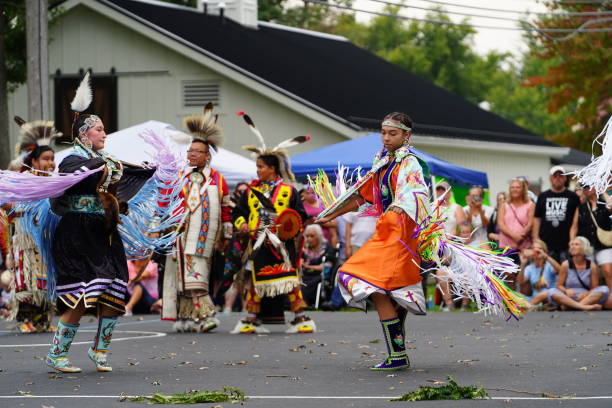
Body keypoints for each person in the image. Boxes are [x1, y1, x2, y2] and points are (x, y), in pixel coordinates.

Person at [42, 73, 175, 373]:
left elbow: (112, 193)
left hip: (103, 232)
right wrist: (108, 164)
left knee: (116, 287)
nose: (105, 133)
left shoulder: (106, 161)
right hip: (76, 233)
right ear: (84, 134)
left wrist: (129, 191)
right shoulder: (73, 160)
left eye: (103, 129)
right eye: (100, 129)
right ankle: (56, 353)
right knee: (84, 290)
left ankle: (99, 350)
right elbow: (78, 176)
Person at [316, 112, 431, 370]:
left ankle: (398, 355)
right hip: (387, 232)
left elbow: (416, 193)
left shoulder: (410, 163)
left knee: (363, 278)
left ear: (406, 135)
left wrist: (402, 206)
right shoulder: (382, 163)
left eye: (393, 133)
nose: (386, 137)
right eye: (383, 132)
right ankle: (397, 354)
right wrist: (329, 215)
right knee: (389, 291)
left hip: (400, 235)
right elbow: (361, 196)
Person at [231, 112, 315, 334]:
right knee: (258, 280)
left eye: (261, 167)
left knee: (288, 279)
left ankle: (301, 317)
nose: (257, 170)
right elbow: (237, 213)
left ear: (272, 169)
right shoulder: (251, 191)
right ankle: (251, 319)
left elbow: (300, 215)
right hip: (257, 242)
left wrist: (290, 227)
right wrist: (242, 225)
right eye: (257, 166)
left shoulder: (288, 191)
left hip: (281, 244)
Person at [161, 104, 232, 333]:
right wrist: (161, 229)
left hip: (203, 238)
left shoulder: (217, 180)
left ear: (207, 155)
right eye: (189, 151)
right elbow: (167, 205)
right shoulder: (179, 178)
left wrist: (226, 235)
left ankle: (206, 315)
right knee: (180, 278)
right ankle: (187, 316)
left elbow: (226, 209)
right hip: (178, 236)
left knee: (196, 276)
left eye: (196, 151)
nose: (191, 154)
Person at [4, 117, 59, 333]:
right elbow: (7, 203)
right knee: (26, 278)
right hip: (25, 238)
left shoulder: (54, 182)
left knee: (46, 277)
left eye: (52, 159)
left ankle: (43, 319)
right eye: (46, 159)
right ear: (34, 161)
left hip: (45, 237)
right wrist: (21, 208)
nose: (51, 163)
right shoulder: (22, 179)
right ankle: (25, 319)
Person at [532, 166, 580, 263]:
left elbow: (576, 221)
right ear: (550, 178)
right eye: (555, 176)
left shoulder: (573, 196)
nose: (558, 178)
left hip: (566, 243)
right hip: (546, 243)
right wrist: (536, 239)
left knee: (565, 272)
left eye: (561, 176)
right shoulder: (542, 196)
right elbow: (537, 219)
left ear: (565, 178)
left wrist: (572, 241)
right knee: (547, 273)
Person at [546, 237, 609, 311]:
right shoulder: (565, 264)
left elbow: (594, 288)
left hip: (585, 296)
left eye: (576, 244)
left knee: (604, 289)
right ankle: (582, 306)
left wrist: (587, 294)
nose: (573, 246)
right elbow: (559, 285)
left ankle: (572, 306)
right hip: (568, 296)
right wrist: (566, 291)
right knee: (551, 291)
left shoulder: (592, 265)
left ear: (584, 247)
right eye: (572, 244)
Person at [498, 178, 535, 289]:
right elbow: (501, 223)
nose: (514, 189)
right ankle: (509, 303)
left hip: (523, 245)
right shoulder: (504, 205)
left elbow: (530, 223)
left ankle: (522, 302)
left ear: (523, 189)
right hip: (507, 245)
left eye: (517, 187)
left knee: (522, 275)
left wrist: (521, 236)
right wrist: (514, 236)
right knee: (509, 276)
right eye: (512, 187)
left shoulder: (530, 205)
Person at [574, 185, 612, 292]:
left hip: (604, 244)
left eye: (589, 187)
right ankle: (591, 296)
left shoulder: (603, 204)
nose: (586, 189)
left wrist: (602, 191)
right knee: (588, 273)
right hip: (587, 244)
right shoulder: (581, 207)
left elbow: (611, 205)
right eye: (584, 188)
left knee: (608, 271)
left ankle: (611, 296)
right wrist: (573, 242)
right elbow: (574, 226)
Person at [301, 224, 335, 306]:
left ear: (319, 237)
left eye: (312, 236)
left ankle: (305, 303)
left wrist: (308, 266)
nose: (309, 239)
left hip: (319, 275)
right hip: (305, 274)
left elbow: (327, 267)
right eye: (307, 236)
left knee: (310, 282)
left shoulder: (327, 249)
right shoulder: (304, 249)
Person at [519, 239, 561, 308]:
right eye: (534, 249)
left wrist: (546, 256)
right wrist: (522, 264)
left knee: (544, 294)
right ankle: (533, 306)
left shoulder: (549, 265)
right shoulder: (529, 267)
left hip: (549, 296)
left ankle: (529, 306)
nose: (537, 251)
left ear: (544, 251)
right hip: (534, 298)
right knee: (512, 293)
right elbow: (521, 282)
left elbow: (560, 270)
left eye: (539, 249)